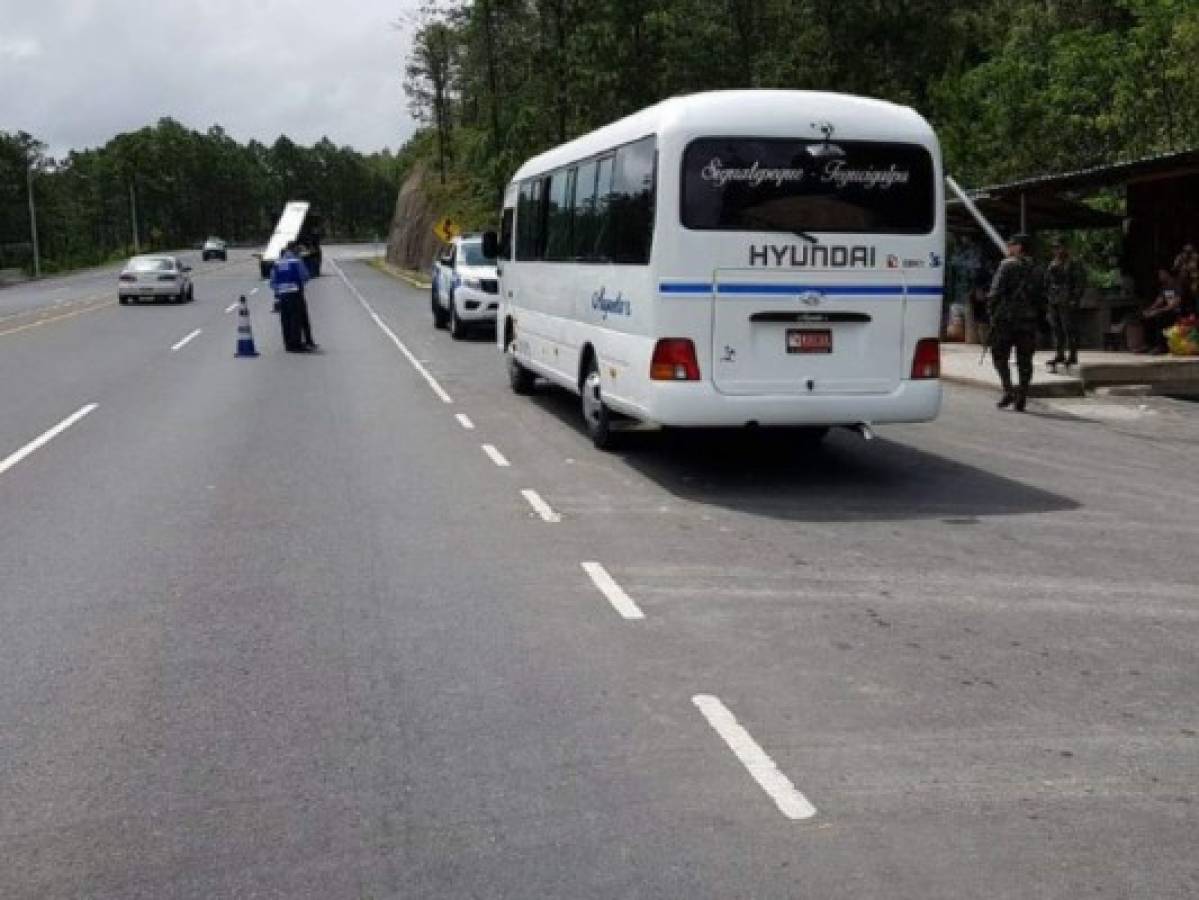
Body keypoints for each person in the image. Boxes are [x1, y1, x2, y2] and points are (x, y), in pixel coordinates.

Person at [987, 233, 1044, 412]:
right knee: (1025, 360)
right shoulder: (1038, 268)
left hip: (1006, 320)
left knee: (999, 355)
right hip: (1029, 321)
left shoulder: (1007, 265)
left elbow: (995, 293)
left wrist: (991, 314)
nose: (1009, 248)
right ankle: (1022, 396)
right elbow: (1042, 297)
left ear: (1019, 247)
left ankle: (1009, 390)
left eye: (1011, 245)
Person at [1044, 239, 1087, 370]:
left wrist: (1075, 298)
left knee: (1069, 328)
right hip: (1054, 300)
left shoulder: (1073, 263)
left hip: (1067, 299)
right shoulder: (1053, 263)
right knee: (1056, 328)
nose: (1057, 251)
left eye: (1059, 248)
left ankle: (1072, 355)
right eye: (1055, 248)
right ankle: (1060, 354)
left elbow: (1080, 282)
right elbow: (1047, 281)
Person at [269, 242, 311, 352]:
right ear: (294, 249)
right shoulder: (296, 261)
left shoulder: (277, 262)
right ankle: (296, 345)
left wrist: (279, 290)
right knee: (295, 320)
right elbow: (305, 276)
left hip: (282, 295)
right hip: (295, 293)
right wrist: (299, 284)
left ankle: (288, 345)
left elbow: (272, 282)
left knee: (285, 320)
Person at [1139, 268, 1182, 355]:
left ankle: (1161, 346)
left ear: (1167, 274)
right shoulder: (1164, 287)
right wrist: (1149, 310)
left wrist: (1158, 311)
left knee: (1160, 317)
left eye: (1161, 274)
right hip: (1166, 310)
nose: (1160, 277)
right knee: (1146, 318)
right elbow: (1159, 301)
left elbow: (1174, 305)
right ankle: (1149, 344)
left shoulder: (1177, 286)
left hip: (1175, 312)